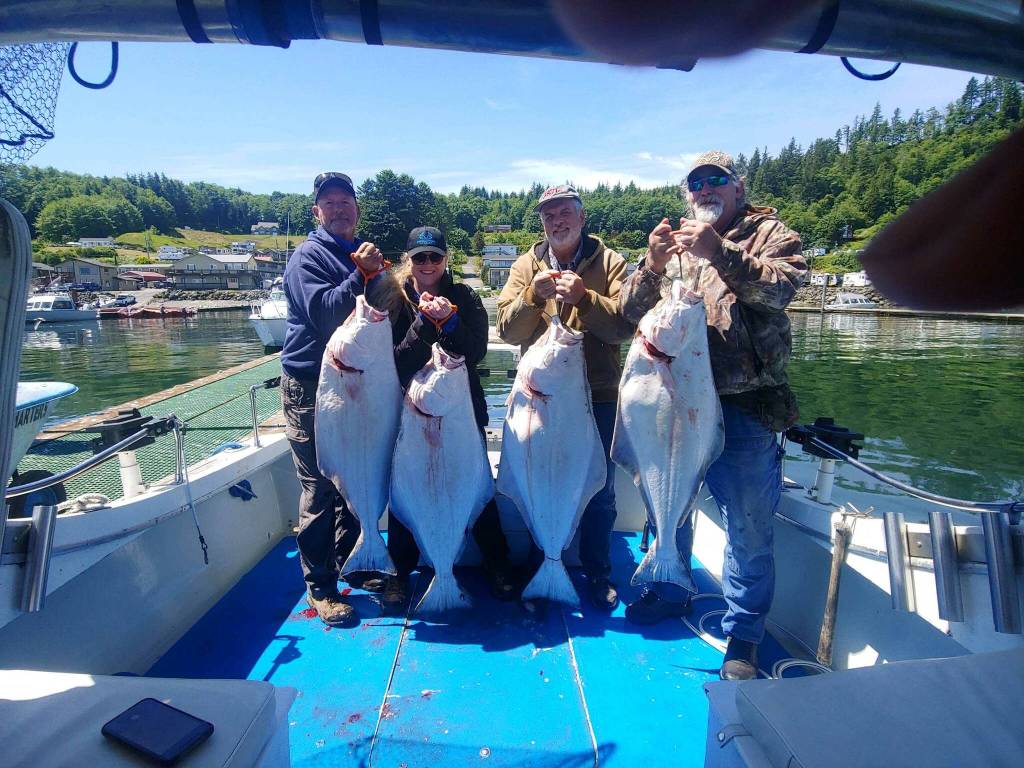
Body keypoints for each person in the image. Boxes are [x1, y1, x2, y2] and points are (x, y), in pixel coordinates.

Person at [619, 151, 807, 680]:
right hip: (672, 400)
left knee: (747, 525)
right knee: (667, 503)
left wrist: (719, 251)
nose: (705, 189)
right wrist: (652, 264)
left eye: (716, 180)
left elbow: (781, 289)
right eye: (695, 183)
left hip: (745, 406)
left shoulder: (771, 234)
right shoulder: (675, 245)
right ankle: (668, 586)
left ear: (737, 187)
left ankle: (743, 635)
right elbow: (630, 312)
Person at [496, 184, 635, 610]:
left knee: (599, 490)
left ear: (581, 217)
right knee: (536, 479)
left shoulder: (611, 262)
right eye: (549, 216)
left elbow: (623, 328)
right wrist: (531, 297)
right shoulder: (525, 265)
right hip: (539, 400)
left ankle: (598, 573)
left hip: (599, 396)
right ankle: (541, 562)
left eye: (564, 213)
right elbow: (507, 330)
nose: (557, 222)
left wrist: (585, 299)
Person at [280, 171, 398, 627]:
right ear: (317, 212)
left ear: (356, 209)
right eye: (329, 203)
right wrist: (361, 275)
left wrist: (381, 277)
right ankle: (322, 588)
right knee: (321, 486)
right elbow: (328, 314)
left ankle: (357, 564)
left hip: (357, 385)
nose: (338, 209)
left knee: (357, 473)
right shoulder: (307, 258)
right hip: (312, 389)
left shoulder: (360, 252)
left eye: (345, 201)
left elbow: (384, 308)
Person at [381, 226, 519, 612]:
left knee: (477, 486)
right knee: (405, 488)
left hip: (461, 411)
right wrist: (426, 325)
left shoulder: (465, 296)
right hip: (409, 413)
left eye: (435, 257)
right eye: (419, 257)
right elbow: (396, 362)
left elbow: (475, 352)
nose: (428, 264)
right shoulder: (393, 301)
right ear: (408, 261)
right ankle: (399, 571)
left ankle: (497, 563)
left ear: (446, 259)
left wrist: (452, 322)